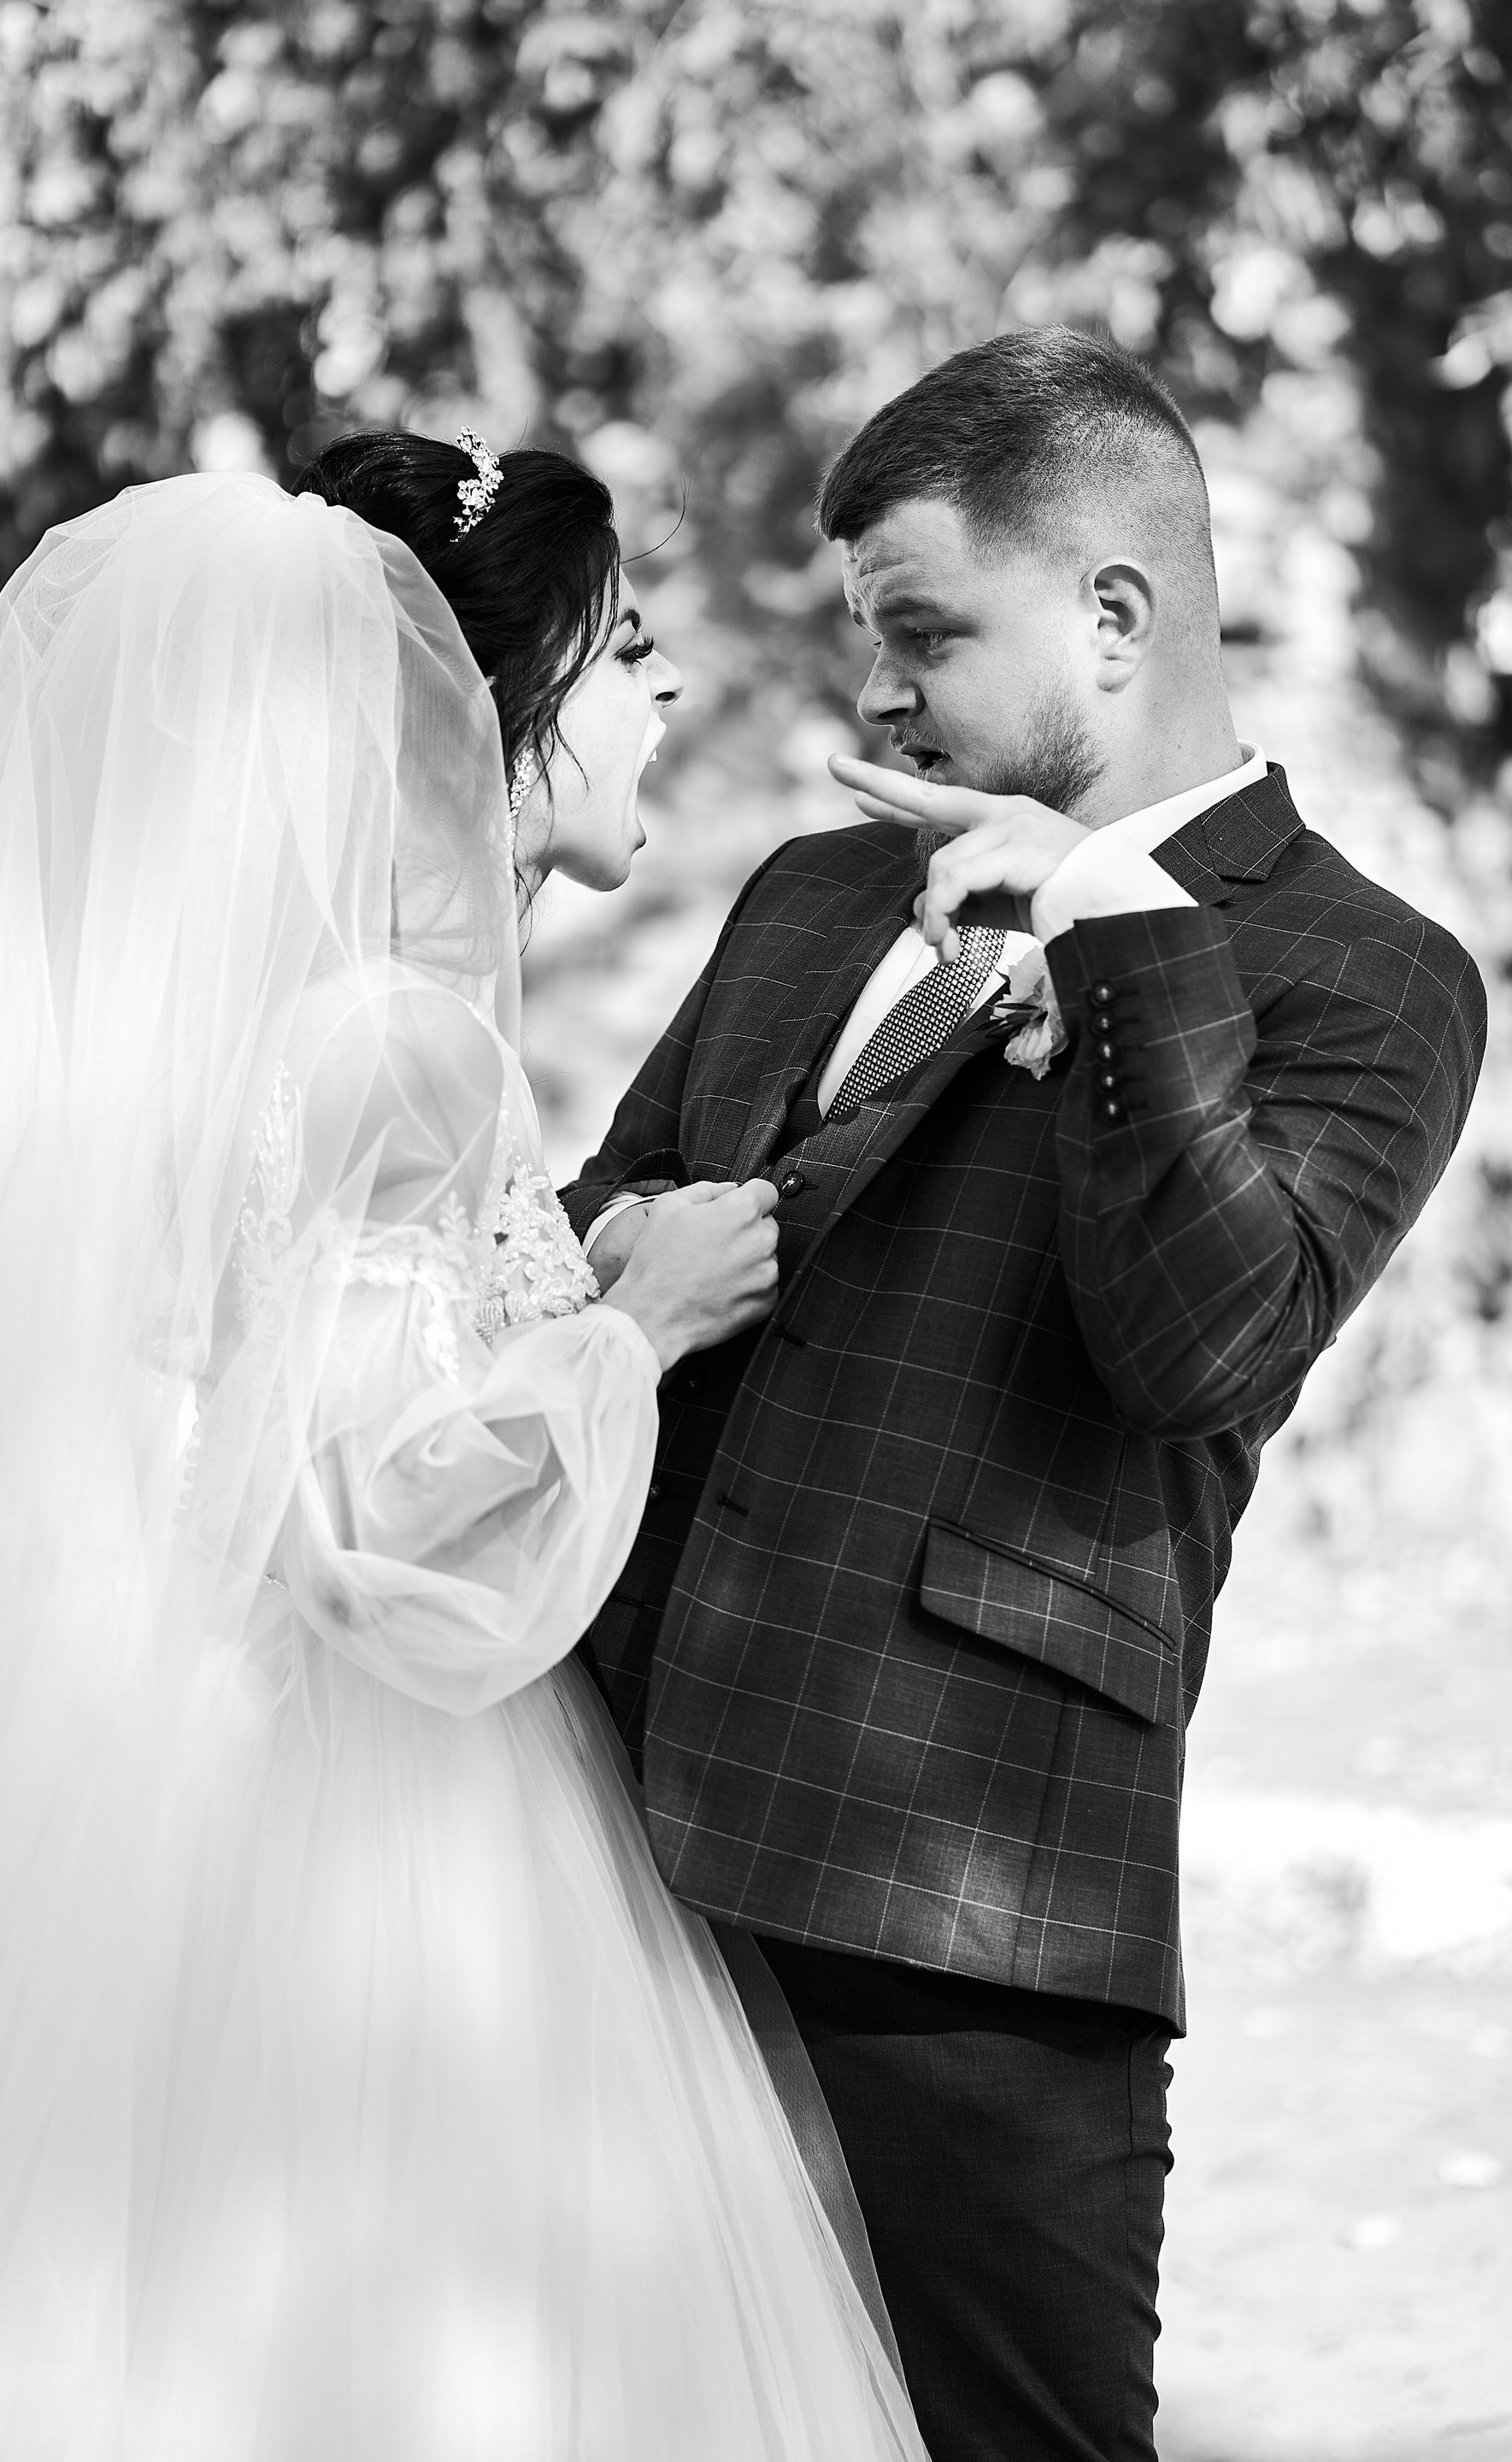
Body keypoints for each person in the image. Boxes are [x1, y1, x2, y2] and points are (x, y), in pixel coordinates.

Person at [0, 449, 932, 2461]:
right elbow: (367, 1525)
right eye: (622, 649)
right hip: (394, 1835)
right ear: (492, 712)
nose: (664, 692)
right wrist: (637, 1328)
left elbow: (296, 1388)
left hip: (213, 1778)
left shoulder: (266, 1025)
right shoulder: (401, 1038)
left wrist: (557, 1289)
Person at [562, 327, 1488, 2462]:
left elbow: (1200, 1349)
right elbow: (612, 1208)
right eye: (866, 638)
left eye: (922, 633)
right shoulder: (814, 889)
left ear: (1115, 615)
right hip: (608, 1811)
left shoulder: (1370, 976)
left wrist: (1113, 932)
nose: (877, 693)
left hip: (963, 1897)